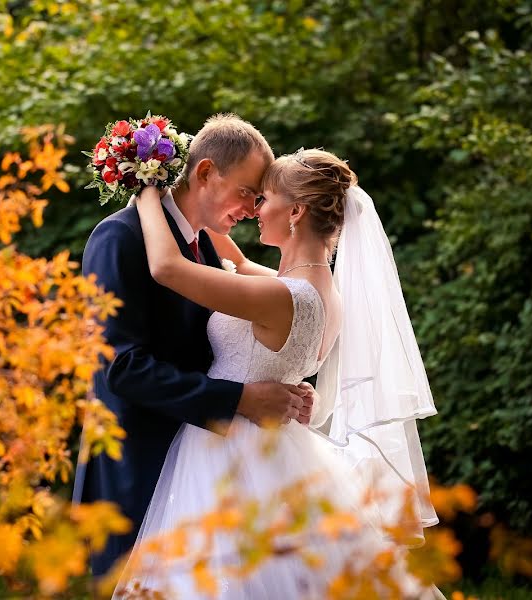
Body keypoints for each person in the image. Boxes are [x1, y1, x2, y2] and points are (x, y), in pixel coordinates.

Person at [118, 148, 441, 598]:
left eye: (263, 198)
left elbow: (168, 268)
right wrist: (200, 198)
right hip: (277, 449)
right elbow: (237, 262)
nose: (253, 210)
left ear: (295, 211)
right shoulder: (318, 291)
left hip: (232, 456)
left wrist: (147, 186)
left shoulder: (282, 296)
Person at [73, 114, 316, 578]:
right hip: (135, 470)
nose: (252, 207)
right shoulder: (120, 237)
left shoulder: (205, 246)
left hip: (200, 470)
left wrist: (281, 383)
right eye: (247, 191)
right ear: (205, 173)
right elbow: (120, 367)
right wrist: (240, 399)